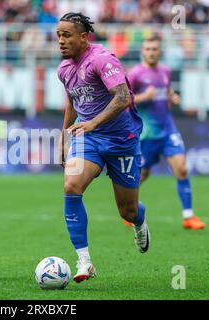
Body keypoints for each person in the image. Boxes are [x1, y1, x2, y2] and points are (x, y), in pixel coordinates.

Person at [57, 13, 150, 283]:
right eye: (58, 36)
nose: (61, 41)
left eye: (67, 35)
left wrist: (93, 123)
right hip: (88, 139)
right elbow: (72, 102)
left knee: (128, 211)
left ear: (84, 37)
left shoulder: (102, 59)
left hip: (122, 140)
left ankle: (139, 221)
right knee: (71, 187)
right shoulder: (64, 69)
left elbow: (122, 98)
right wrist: (64, 137)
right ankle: (84, 261)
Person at [128, 36, 205, 230]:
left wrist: (173, 97)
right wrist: (144, 96)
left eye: (155, 48)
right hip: (147, 134)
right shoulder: (136, 74)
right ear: (143, 51)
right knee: (142, 175)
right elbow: (123, 100)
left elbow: (167, 91)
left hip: (168, 129)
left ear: (160, 51)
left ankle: (188, 216)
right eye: (148, 49)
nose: (151, 52)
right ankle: (129, 209)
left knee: (182, 169)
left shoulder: (165, 71)